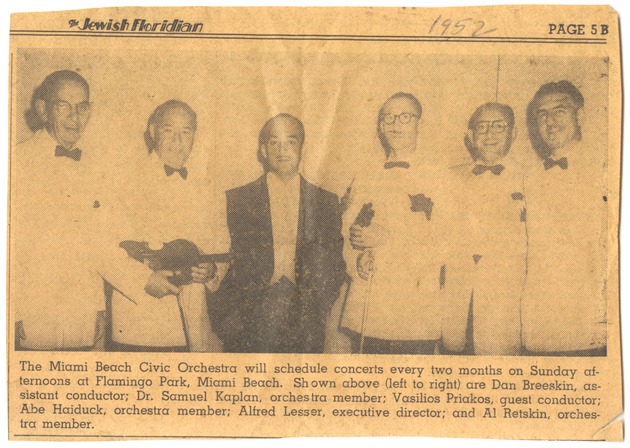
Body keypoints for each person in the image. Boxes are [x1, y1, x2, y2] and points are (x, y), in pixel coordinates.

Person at [102, 100, 229, 352]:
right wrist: (143, 281)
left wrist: (213, 270)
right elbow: (104, 247)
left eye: (186, 132)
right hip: (141, 323)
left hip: (196, 324)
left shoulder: (209, 188)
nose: (178, 141)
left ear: (194, 135)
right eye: (168, 130)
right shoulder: (123, 181)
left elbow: (221, 244)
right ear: (152, 131)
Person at [213, 113, 345, 353]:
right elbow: (222, 260)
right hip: (248, 320)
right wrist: (233, 315)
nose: (282, 150)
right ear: (263, 150)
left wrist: (317, 307)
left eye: (290, 142)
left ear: (302, 148)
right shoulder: (236, 200)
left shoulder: (326, 202)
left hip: (305, 321)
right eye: (274, 143)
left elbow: (336, 266)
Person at [340, 92, 448, 354]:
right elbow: (347, 233)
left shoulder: (440, 175)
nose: (395, 124)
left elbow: (448, 240)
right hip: (370, 307)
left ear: (419, 124)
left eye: (405, 117)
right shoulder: (365, 175)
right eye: (388, 117)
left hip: (413, 311)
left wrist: (389, 239)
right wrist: (357, 258)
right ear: (380, 126)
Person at [13, 70, 107, 350]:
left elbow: (97, 243)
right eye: (63, 105)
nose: (74, 117)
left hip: (81, 314)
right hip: (32, 313)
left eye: (82, 107)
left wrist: (98, 307)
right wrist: (12, 311)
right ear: (43, 109)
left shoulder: (96, 167)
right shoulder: (16, 161)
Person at [522, 81, 606, 356]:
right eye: (542, 114)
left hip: (586, 324)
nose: (550, 121)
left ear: (579, 116)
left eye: (559, 110)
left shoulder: (604, 168)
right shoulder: (531, 175)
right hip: (538, 323)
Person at [442, 102, 526, 356]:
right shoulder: (446, 178)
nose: (489, 133)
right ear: (470, 135)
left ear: (513, 134)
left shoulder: (530, 179)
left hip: (506, 303)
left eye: (499, 126)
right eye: (482, 126)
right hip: (455, 299)